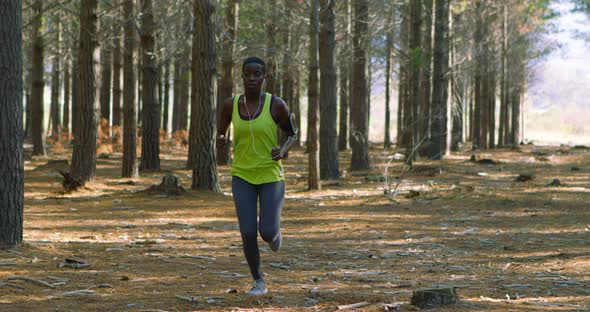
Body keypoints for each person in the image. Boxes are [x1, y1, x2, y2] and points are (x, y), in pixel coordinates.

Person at [216, 56, 297, 296]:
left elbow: (292, 134)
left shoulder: (277, 105)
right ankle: (258, 280)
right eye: (248, 74)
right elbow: (221, 132)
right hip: (242, 176)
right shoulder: (230, 105)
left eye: (257, 74)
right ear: (242, 77)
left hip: (271, 176)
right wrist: (220, 140)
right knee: (248, 232)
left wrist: (282, 150)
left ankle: (275, 235)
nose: (252, 79)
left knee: (267, 231)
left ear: (264, 77)